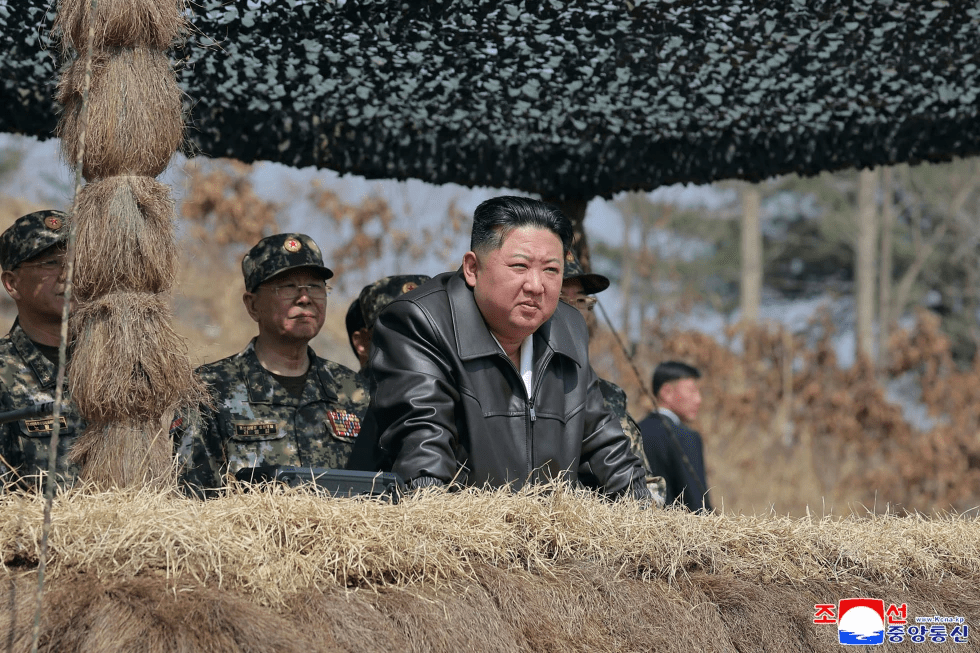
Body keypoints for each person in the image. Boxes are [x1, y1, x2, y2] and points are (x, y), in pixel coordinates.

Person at [354, 196, 649, 499]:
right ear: (472, 268)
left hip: (548, 539)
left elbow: (605, 444)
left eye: (551, 270)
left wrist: (645, 520)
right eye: (520, 266)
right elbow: (424, 458)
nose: (536, 285)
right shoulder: (420, 322)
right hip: (461, 536)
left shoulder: (568, 327)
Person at [176, 233, 369, 497]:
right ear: (253, 305)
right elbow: (193, 499)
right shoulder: (208, 389)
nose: (304, 298)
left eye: (315, 286)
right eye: (287, 286)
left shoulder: (355, 392)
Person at [559, 253, 666, 507]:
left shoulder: (606, 395)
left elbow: (648, 491)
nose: (574, 311)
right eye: (562, 299)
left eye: (582, 302)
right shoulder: (513, 380)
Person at [0, 210, 84, 489]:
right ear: (12, 284)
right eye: (51, 263)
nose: (68, 273)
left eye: (75, 261)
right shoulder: (3, 373)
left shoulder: (113, 363)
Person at [639, 361, 712, 512]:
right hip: (676, 532)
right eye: (692, 391)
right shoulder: (686, 437)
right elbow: (697, 503)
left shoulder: (635, 431)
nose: (698, 400)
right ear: (667, 392)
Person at [345, 274, 431, 378]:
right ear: (363, 341)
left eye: (429, 325)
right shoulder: (348, 392)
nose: (418, 336)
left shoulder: (448, 389)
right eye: (399, 328)